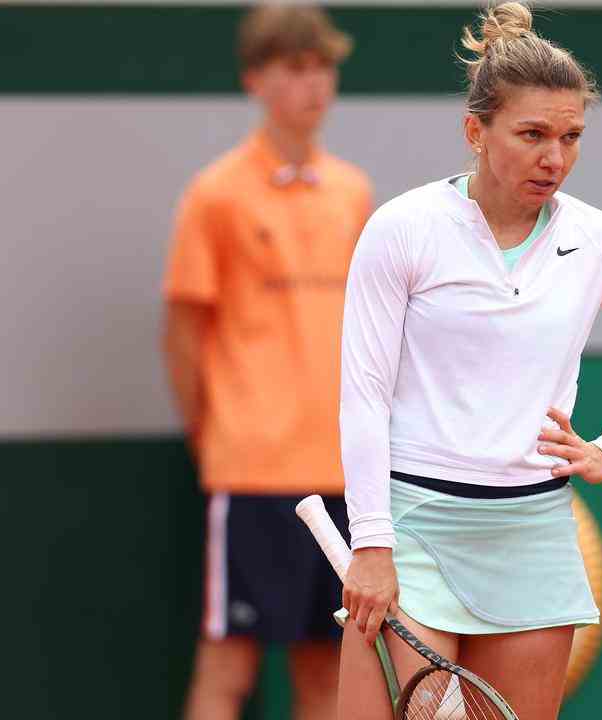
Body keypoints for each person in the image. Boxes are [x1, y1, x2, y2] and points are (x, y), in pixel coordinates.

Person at [335, 3, 602, 718]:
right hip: (411, 530)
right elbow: (363, 394)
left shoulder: (600, 242)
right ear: (476, 132)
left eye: (571, 136)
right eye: (533, 134)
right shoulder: (402, 230)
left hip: (533, 538)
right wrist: (373, 544)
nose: (555, 158)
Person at [161, 5, 372, 719]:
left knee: (326, 673)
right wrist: (213, 436)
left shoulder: (353, 193)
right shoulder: (215, 194)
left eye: (324, 66)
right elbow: (184, 333)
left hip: (342, 475)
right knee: (227, 672)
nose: (314, 84)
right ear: (256, 79)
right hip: (251, 474)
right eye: (295, 67)